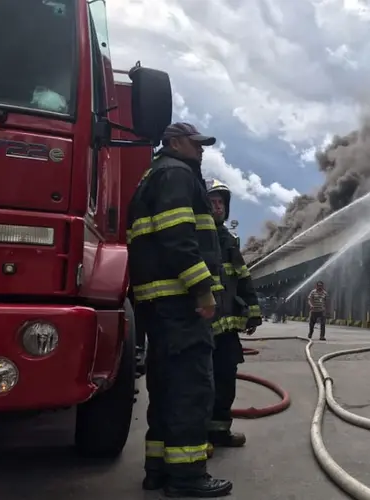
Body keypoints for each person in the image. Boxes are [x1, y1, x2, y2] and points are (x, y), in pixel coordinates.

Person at [127, 122, 233, 498]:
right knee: (191, 389)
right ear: (174, 143)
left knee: (165, 386)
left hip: (158, 305)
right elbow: (178, 238)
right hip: (180, 302)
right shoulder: (177, 174)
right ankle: (187, 478)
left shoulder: (153, 175)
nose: (201, 151)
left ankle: (157, 469)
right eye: (196, 144)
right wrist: (202, 290)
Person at [205, 179, 263, 451]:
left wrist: (252, 312)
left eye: (221, 203)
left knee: (226, 379)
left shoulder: (229, 240)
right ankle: (196, 437)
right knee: (199, 384)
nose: (217, 207)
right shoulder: (194, 235)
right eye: (212, 202)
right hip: (199, 328)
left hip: (226, 331)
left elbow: (242, 278)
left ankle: (219, 431)